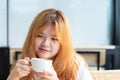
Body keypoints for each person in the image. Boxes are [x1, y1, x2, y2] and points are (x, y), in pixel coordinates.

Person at [7, 8, 93, 80]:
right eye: (40, 36)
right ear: (31, 37)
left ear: (63, 43)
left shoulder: (75, 66)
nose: (46, 44)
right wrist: (12, 77)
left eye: (54, 39)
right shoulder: (22, 66)